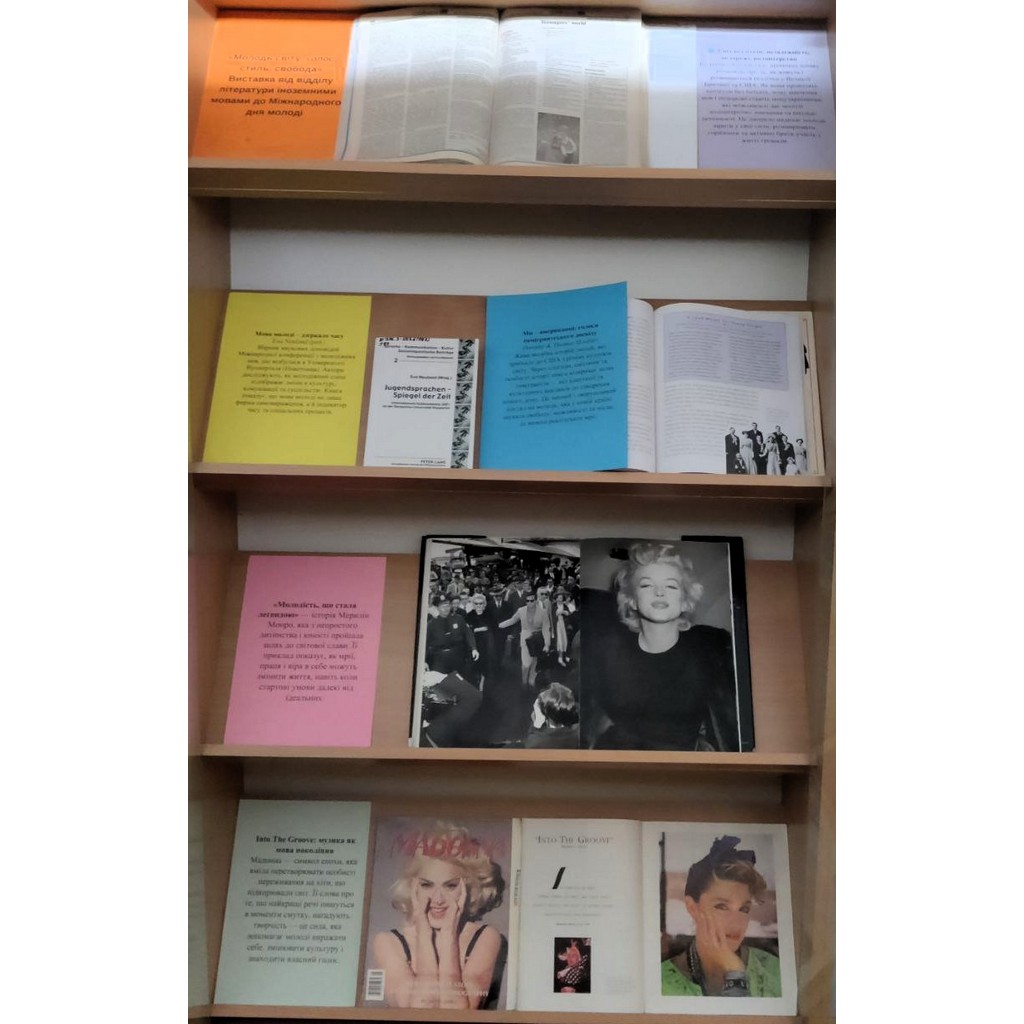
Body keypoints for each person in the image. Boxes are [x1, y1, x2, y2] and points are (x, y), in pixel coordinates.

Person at [586, 542, 739, 750]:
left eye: (671, 586)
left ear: (685, 602)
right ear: (632, 600)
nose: (659, 592)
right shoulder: (608, 652)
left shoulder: (710, 651)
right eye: (647, 585)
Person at [370, 822, 508, 1009]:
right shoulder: (388, 942)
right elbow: (421, 1008)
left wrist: (449, 934)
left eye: (451, 886)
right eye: (426, 885)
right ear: (412, 887)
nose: (438, 899)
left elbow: (455, 1009)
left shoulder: (486, 937)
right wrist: (424, 934)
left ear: (469, 888)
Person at [661, 836, 782, 998]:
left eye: (744, 909)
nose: (736, 922)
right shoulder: (662, 981)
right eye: (722, 906)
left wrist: (734, 970)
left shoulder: (774, 970)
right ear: (692, 907)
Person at [498, 591, 551, 689]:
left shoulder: (543, 612)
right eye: (527, 601)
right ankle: (524, 683)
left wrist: (547, 644)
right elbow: (512, 620)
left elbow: (546, 629)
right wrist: (498, 625)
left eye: (532, 600)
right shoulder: (521, 610)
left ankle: (531, 681)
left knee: (535, 662)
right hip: (526, 640)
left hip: (538, 640)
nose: (529, 603)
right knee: (526, 664)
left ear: (536, 600)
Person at [425, 596, 479, 676]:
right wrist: (424, 660)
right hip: (439, 658)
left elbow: (468, 634)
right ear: (437, 608)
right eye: (443, 606)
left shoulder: (458, 619)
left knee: (459, 680)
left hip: (458, 656)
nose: (446, 609)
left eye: (447, 606)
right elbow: (425, 643)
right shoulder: (431, 624)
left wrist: (473, 648)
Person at [524, 681, 578, 748]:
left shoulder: (538, 742)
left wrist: (537, 724)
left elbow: (531, 746)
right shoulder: (580, 735)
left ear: (542, 713)